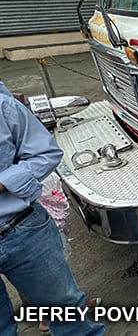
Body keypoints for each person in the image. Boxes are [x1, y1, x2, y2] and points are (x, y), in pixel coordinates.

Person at [0, 81, 105, 336]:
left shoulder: (3, 107)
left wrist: (4, 181)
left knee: (68, 315)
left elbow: (46, 153)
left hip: (21, 230)